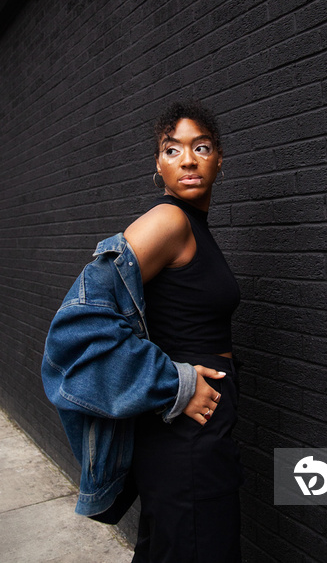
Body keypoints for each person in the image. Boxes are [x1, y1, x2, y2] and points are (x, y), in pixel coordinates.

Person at [42, 100, 243, 562]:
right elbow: (78, 323)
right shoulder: (168, 220)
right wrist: (177, 383)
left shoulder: (196, 227)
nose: (188, 160)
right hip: (185, 435)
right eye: (172, 150)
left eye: (201, 147)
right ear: (158, 164)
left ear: (219, 159)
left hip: (200, 434)